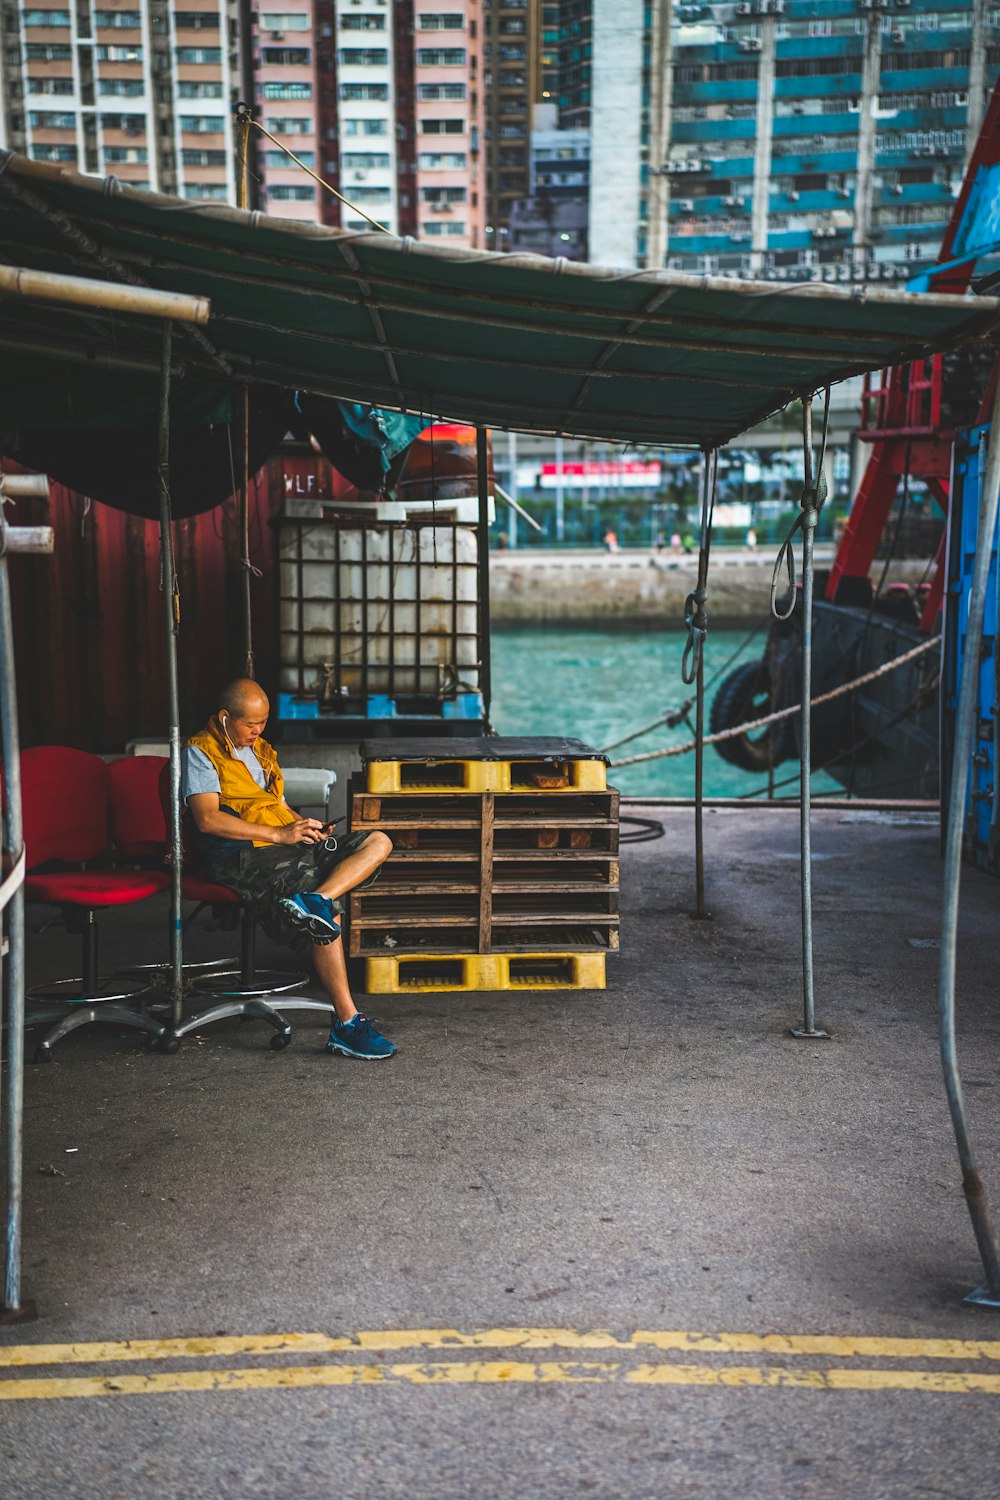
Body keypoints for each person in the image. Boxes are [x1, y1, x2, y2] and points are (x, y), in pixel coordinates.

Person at [182, 678, 397, 1060]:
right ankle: (347, 1024)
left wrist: (304, 826)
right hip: (241, 854)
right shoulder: (200, 752)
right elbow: (207, 820)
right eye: (250, 724)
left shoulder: (263, 752)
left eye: (263, 723)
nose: (258, 731)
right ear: (224, 717)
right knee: (324, 916)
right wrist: (281, 835)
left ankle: (315, 899)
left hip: (282, 841)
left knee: (377, 841)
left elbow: (274, 808)